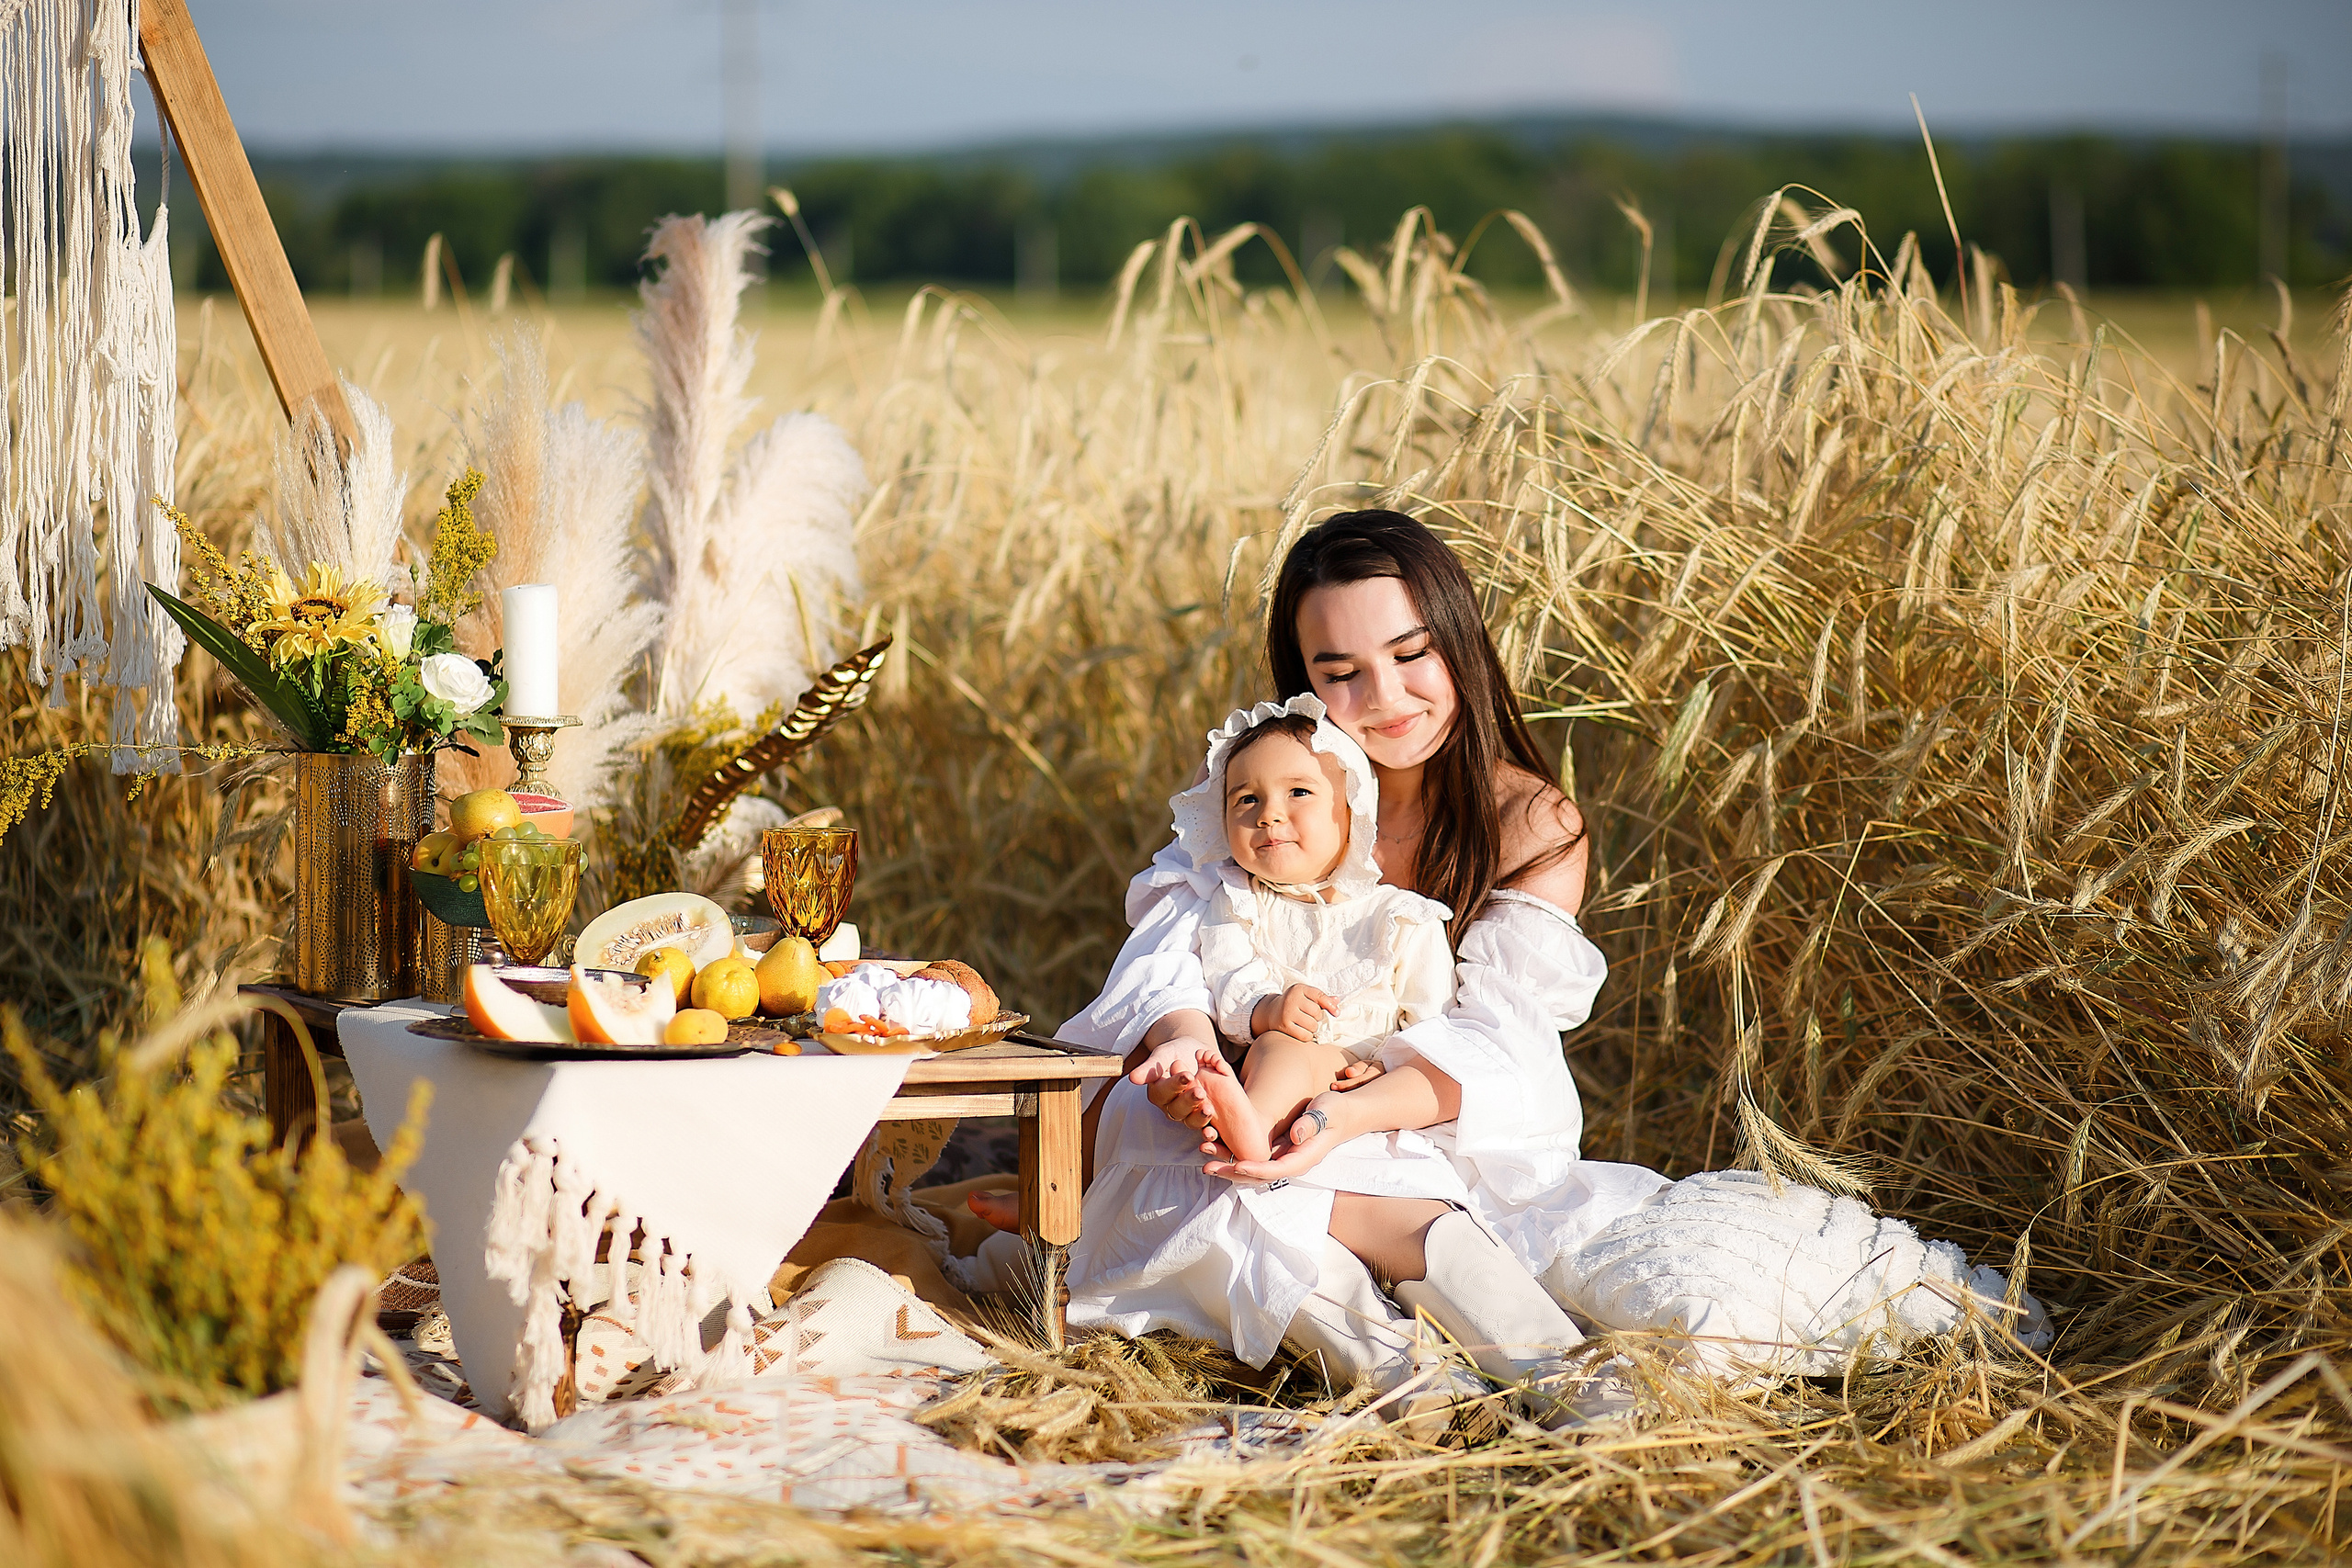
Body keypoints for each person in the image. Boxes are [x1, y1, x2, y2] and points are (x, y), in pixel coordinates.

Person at [962, 510, 2047, 1421]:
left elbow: (1500, 1044)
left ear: (1458, 644)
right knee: (1184, 1151)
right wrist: (1199, 1057)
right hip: (1240, 1089)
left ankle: (1543, 1377)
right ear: (1299, 689)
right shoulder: (1274, 794)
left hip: (1409, 1116)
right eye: (1337, 672)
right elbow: (1169, 952)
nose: (1381, 697)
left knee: (1341, 1206)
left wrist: (1329, 1118)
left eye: (1408, 655)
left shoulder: (1528, 820)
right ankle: (1410, 1381)